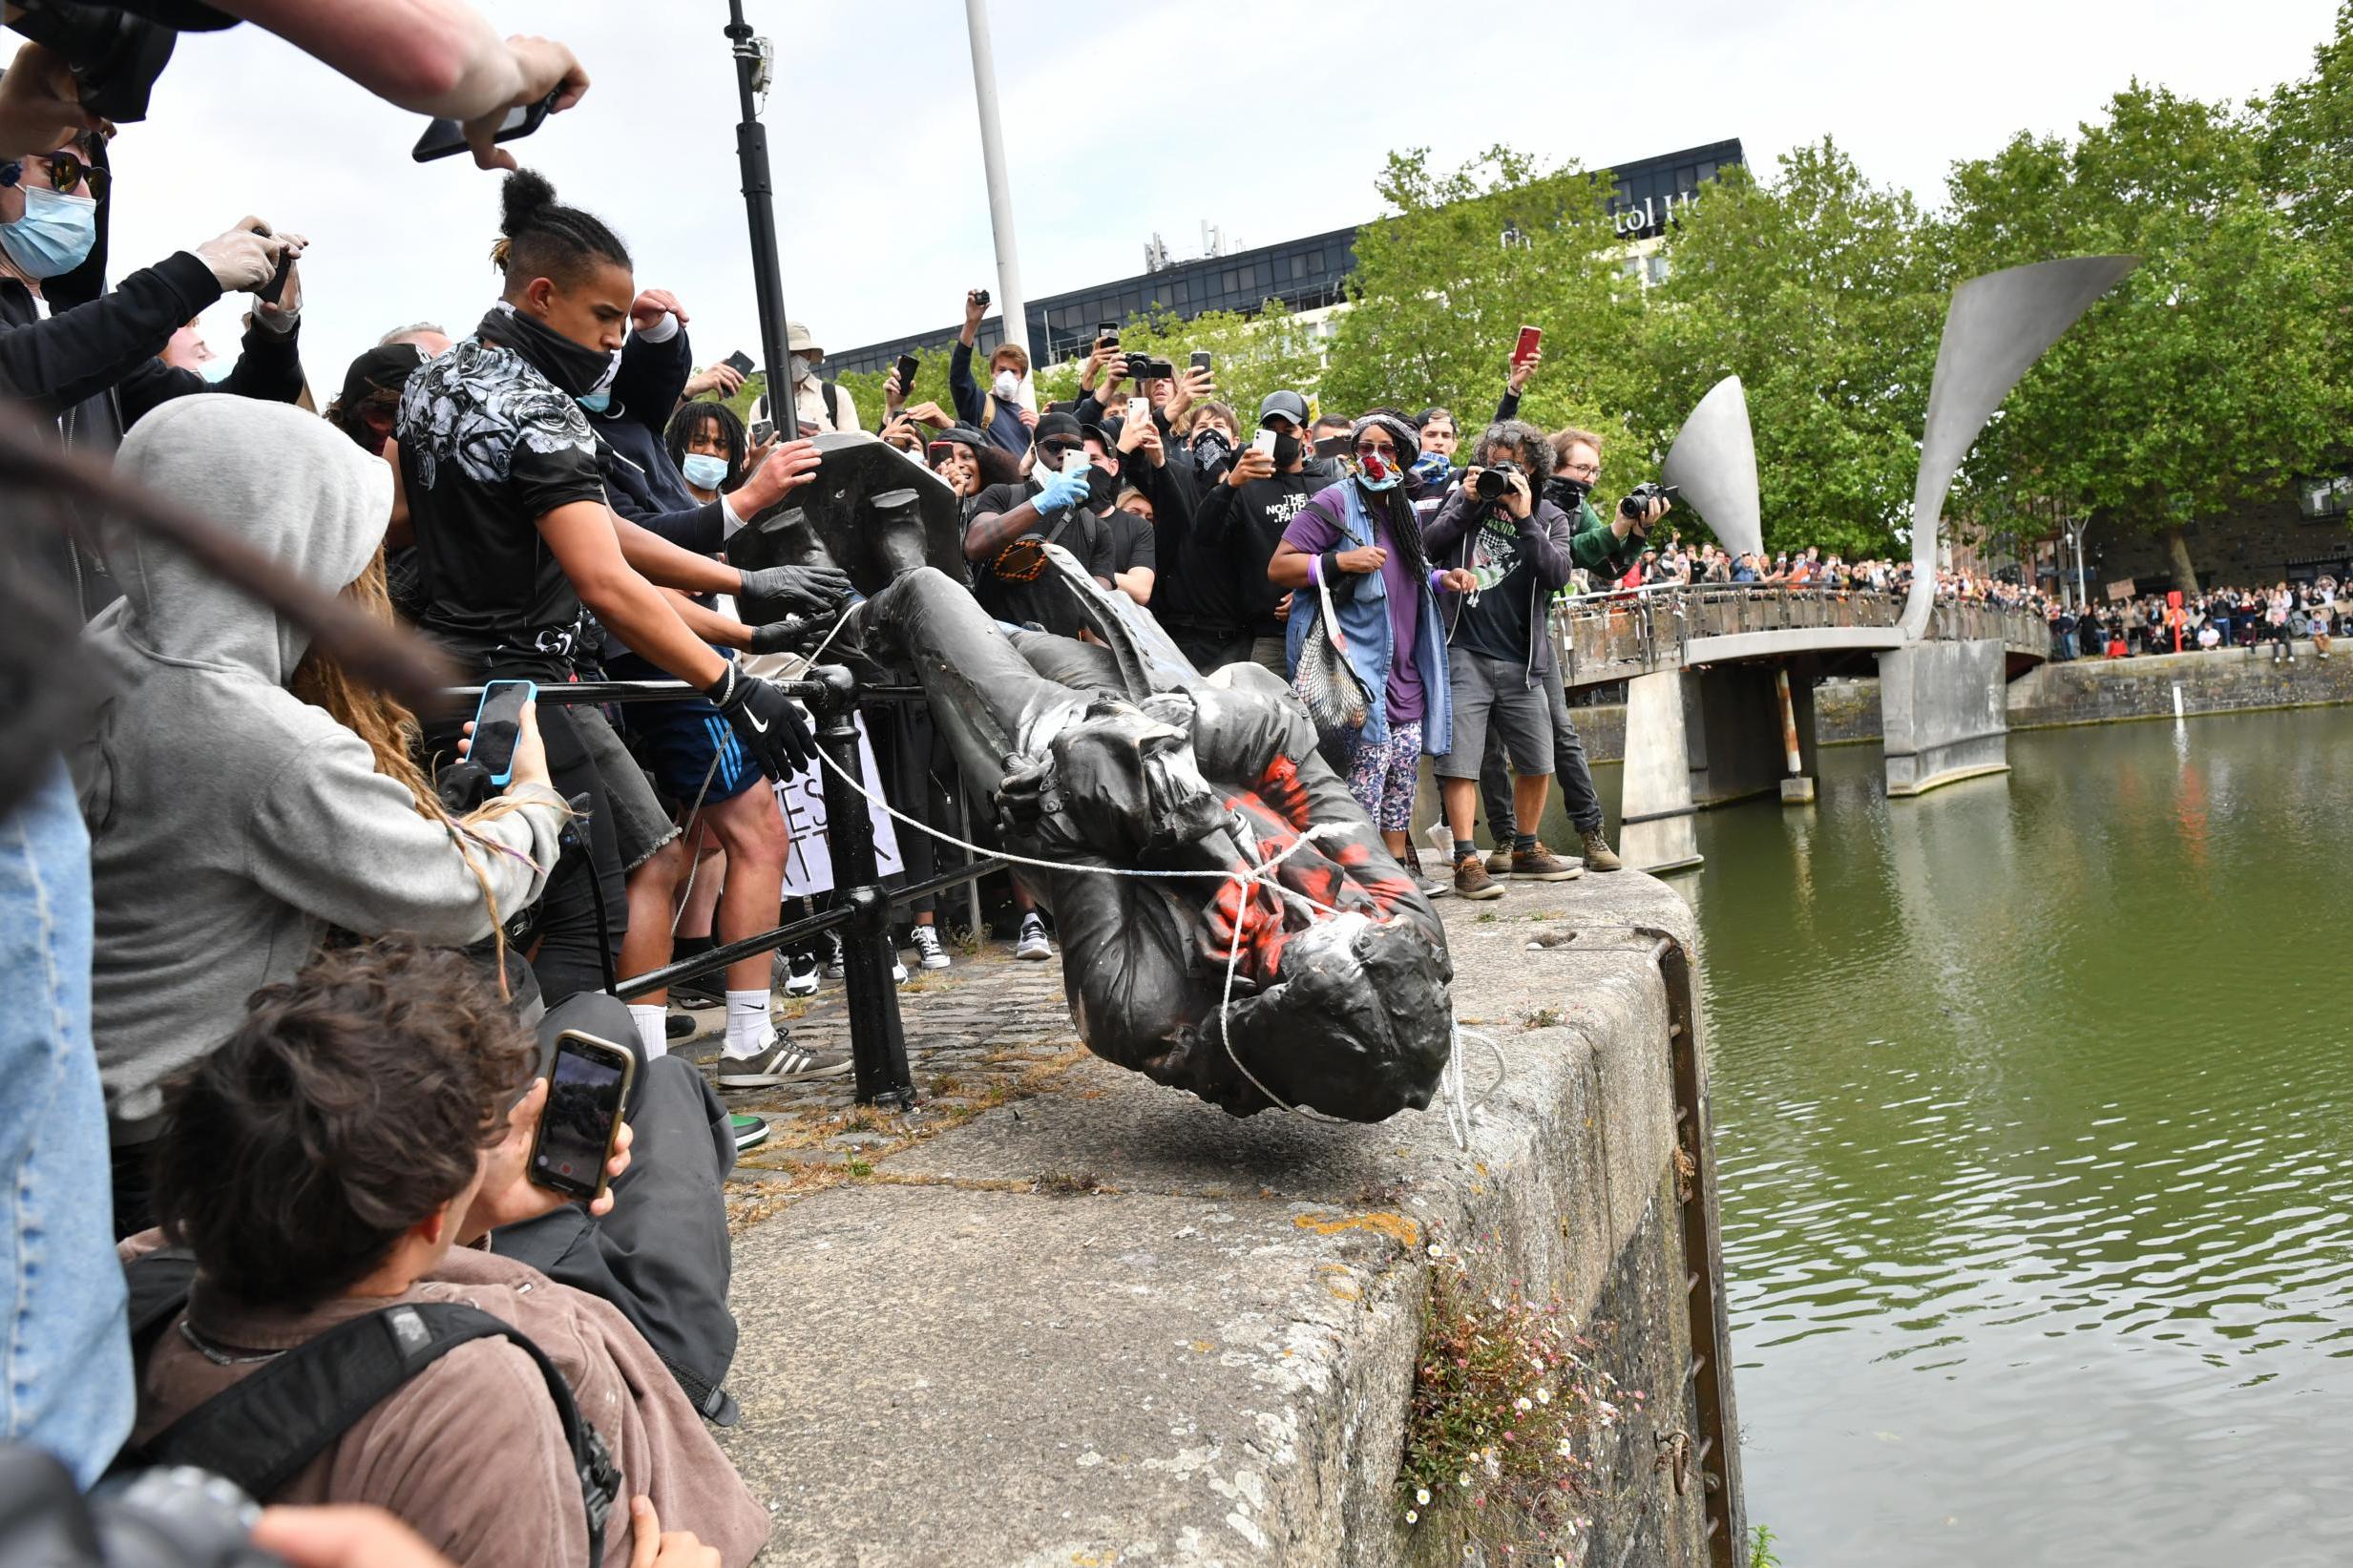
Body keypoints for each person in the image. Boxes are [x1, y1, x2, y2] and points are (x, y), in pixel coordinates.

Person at [79, 396, 568, 1232]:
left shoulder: (104, 650)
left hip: (82, 1115)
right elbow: (455, 893)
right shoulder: (252, 732)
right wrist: (534, 800)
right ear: (290, 541)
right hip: (185, 1138)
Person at [124, 937, 768, 1568]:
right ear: (429, 1214)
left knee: (624, 1047)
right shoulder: (474, 1399)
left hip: (461, 1265)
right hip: (638, 1377)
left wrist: (474, 1210)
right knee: (674, 1083)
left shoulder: (143, 1269)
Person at [393, 169, 832, 1010]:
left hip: (437, 675)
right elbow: (603, 576)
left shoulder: (428, 384)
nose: (613, 342)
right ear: (544, 294)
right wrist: (734, 685)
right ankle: (583, 1103)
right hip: (524, 688)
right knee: (610, 893)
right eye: (603, 318)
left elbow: (405, 520)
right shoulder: (540, 408)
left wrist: (742, 581)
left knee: (502, 904)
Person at [580, 289, 842, 1084]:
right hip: (660, 665)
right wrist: (747, 513)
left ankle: (651, 1057)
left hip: (678, 653)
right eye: (599, 325)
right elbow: (626, 564)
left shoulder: (623, 417)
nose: (611, 343)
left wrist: (653, 321)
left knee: (672, 852)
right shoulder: (566, 437)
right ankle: (744, 1041)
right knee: (752, 834)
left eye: (616, 328)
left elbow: (661, 366)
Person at [1269, 410, 1469, 888]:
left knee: (1402, 781)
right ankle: (1359, 882)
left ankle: (1396, 877)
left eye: (1386, 449)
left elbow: (1414, 569)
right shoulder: (1334, 500)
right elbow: (1280, 567)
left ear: (1402, 456)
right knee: (1363, 785)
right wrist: (1340, 561)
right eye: (1364, 449)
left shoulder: (1400, 505)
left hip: (1406, 675)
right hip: (1357, 676)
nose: (1374, 458)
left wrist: (1446, 578)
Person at [1474, 427, 1648, 877]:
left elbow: (1608, 563)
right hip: (1482, 626)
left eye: (1594, 470)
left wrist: (1636, 531)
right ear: (1552, 465)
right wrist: (1615, 528)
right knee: (1489, 745)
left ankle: (1591, 834)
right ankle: (1506, 837)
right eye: (1580, 468)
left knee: (1562, 734)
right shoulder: (1512, 492)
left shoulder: (1574, 507)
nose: (1587, 479)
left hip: (1533, 634)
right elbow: (1585, 548)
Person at [1422, 419, 1582, 898]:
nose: (1503, 470)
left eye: (1513, 462)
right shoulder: (1464, 502)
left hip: (1522, 657)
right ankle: (1467, 860)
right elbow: (1427, 547)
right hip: (1463, 649)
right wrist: (1469, 505)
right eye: (1495, 461)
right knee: (1460, 763)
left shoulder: (1551, 515)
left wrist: (1526, 516)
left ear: (1533, 467)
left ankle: (1526, 848)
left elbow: (1557, 574)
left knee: (1538, 759)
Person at [1195, 389, 1334, 677]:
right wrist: (1230, 483)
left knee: (1334, 718)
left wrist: (1309, 596)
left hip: (1327, 627)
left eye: (1288, 430)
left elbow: (1346, 553)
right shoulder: (1246, 485)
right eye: (1271, 430)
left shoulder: (1329, 488)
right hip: (1269, 637)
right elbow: (1204, 535)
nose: (1281, 436)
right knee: (1271, 716)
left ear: (1305, 436)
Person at [947, 287, 1034, 454]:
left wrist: (1040, 431)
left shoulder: (1025, 418)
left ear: (1021, 377)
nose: (1007, 375)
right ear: (992, 372)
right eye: (1002, 369)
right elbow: (959, 377)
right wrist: (971, 324)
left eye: (1013, 371)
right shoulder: (979, 404)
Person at [769, 319, 857, 436]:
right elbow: (751, 452)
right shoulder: (764, 405)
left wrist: (820, 439)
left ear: (810, 354)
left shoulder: (836, 395)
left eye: (802, 351)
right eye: (790, 353)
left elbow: (855, 444)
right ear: (778, 356)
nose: (797, 358)